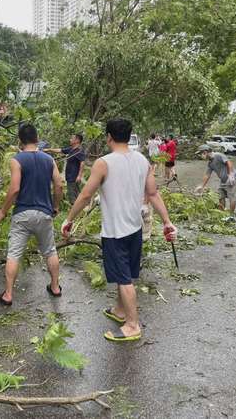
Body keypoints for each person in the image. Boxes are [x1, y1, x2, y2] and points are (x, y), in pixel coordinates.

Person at [61, 118, 177, 342]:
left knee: (124, 279)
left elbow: (85, 195)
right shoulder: (142, 160)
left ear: (109, 137)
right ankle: (120, 311)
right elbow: (153, 194)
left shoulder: (103, 163)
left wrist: (69, 219)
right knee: (126, 275)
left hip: (115, 232)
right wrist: (167, 221)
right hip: (135, 228)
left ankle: (133, 325)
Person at [0, 124, 64, 306]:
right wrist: (55, 206)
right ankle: (55, 287)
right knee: (50, 251)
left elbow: (15, 188)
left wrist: (2, 211)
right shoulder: (49, 159)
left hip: (22, 214)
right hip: (44, 213)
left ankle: (8, 294)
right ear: (37, 139)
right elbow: (59, 185)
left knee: (14, 254)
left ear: (20, 141)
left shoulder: (17, 160)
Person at [195, 144, 236, 214]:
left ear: (205, 152)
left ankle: (231, 215)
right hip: (223, 180)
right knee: (220, 196)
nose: (200, 156)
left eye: (200, 154)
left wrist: (231, 175)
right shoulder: (210, 163)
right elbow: (207, 175)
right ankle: (222, 213)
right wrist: (201, 186)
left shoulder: (218, 155)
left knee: (231, 196)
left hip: (232, 178)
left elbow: (229, 162)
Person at [46, 134, 86, 204]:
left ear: (77, 140)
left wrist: (79, 176)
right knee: (76, 193)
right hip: (69, 176)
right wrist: (49, 150)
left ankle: (75, 208)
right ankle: (81, 207)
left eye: (72, 138)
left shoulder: (79, 151)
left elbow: (82, 162)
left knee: (72, 194)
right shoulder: (71, 149)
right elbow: (60, 150)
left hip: (73, 177)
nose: (70, 139)